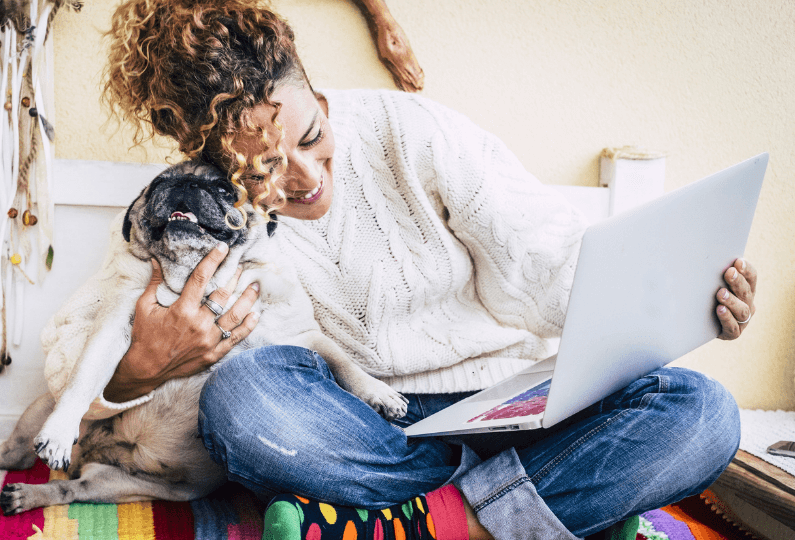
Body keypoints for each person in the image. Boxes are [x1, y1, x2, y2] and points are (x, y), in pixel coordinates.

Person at [99, 1, 756, 538]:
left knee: (704, 412)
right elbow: (88, 375)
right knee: (242, 402)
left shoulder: (411, 131)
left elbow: (546, 265)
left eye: (309, 138)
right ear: (207, 158)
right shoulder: (184, 209)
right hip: (373, 435)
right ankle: (535, 509)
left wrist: (682, 300)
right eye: (265, 167)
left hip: (516, 406)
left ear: (313, 91)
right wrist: (136, 373)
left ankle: (421, 526)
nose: (304, 178)